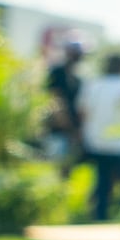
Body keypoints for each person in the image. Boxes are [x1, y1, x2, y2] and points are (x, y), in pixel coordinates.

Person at [77, 51, 120, 222]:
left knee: (103, 181)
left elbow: (83, 112)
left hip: (99, 141)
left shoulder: (95, 84)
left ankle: (100, 215)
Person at [43, 38, 86, 166]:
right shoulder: (57, 72)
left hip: (72, 130)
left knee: (69, 165)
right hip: (58, 129)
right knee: (56, 164)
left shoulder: (79, 77)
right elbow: (54, 99)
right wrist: (66, 125)